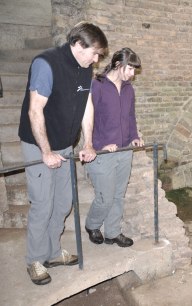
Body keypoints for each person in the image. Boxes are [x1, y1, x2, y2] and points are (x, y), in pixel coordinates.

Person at [18, 21, 108, 285]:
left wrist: (88, 143)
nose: (96, 59)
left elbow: (87, 107)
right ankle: (35, 259)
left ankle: (53, 252)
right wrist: (45, 152)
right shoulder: (46, 64)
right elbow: (35, 111)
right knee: (43, 203)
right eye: (94, 53)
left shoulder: (85, 68)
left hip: (64, 145)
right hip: (38, 145)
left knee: (63, 203)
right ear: (78, 45)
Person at [84, 48, 143, 248]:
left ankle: (113, 232)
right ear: (118, 65)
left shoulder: (128, 89)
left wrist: (134, 136)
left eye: (134, 70)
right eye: (130, 69)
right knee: (105, 198)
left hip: (124, 150)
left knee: (118, 195)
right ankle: (92, 225)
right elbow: (87, 120)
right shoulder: (97, 85)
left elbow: (130, 116)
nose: (132, 74)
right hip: (102, 152)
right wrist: (99, 145)